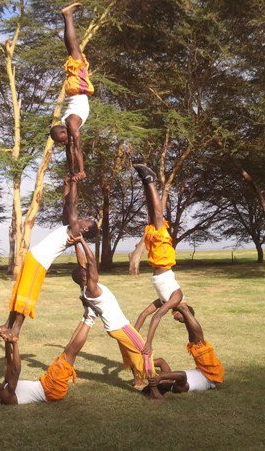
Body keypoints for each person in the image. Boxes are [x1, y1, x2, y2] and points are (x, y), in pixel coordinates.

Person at [0, 177, 97, 342]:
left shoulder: (76, 232)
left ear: (85, 228)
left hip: (39, 263)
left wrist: (75, 183)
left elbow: (72, 206)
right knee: (19, 292)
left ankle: (15, 332)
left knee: (26, 295)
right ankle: (7, 326)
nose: (84, 218)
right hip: (33, 258)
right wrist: (67, 185)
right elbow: (66, 204)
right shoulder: (70, 227)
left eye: (87, 220)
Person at [71, 235, 161, 393]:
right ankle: (154, 387)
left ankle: (138, 381)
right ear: (85, 277)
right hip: (120, 327)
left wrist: (76, 243)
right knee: (144, 352)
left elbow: (83, 262)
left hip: (115, 328)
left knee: (130, 354)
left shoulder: (84, 288)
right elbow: (90, 261)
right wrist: (83, 241)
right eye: (85, 271)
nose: (88, 270)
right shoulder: (92, 288)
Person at [131, 163, 184, 360]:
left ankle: (146, 181)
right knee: (158, 217)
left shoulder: (165, 300)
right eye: (179, 318)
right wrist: (148, 344)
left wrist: (132, 336)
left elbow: (145, 314)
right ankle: (151, 180)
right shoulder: (176, 299)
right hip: (163, 259)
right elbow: (157, 317)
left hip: (157, 260)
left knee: (151, 217)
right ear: (183, 312)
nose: (175, 318)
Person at [0, 318, 91, 405]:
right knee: (70, 353)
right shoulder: (5, 397)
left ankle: (86, 316)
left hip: (46, 384)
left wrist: (7, 341)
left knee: (67, 351)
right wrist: (15, 343)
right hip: (51, 390)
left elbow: (9, 363)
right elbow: (15, 370)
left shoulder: (4, 386)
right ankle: (90, 318)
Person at [49, 2, 94, 182]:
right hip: (74, 89)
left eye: (62, 140)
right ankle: (67, 16)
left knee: (74, 49)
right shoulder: (65, 125)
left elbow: (77, 148)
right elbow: (70, 152)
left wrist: (81, 171)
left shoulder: (72, 125)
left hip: (77, 87)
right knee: (73, 50)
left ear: (63, 133)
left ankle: (67, 16)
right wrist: (72, 172)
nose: (64, 143)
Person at [143, 302, 225, 399]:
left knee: (195, 341)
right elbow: (182, 375)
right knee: (198, 342)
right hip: (210, 375)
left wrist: (142, 363)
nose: (160, 378)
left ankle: (185, 311)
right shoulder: (179, 387)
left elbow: (161, 361)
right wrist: (160, 378)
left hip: (202, 369)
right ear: (163, 386)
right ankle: (184, 310)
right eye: (160, 382)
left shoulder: (169, 378)